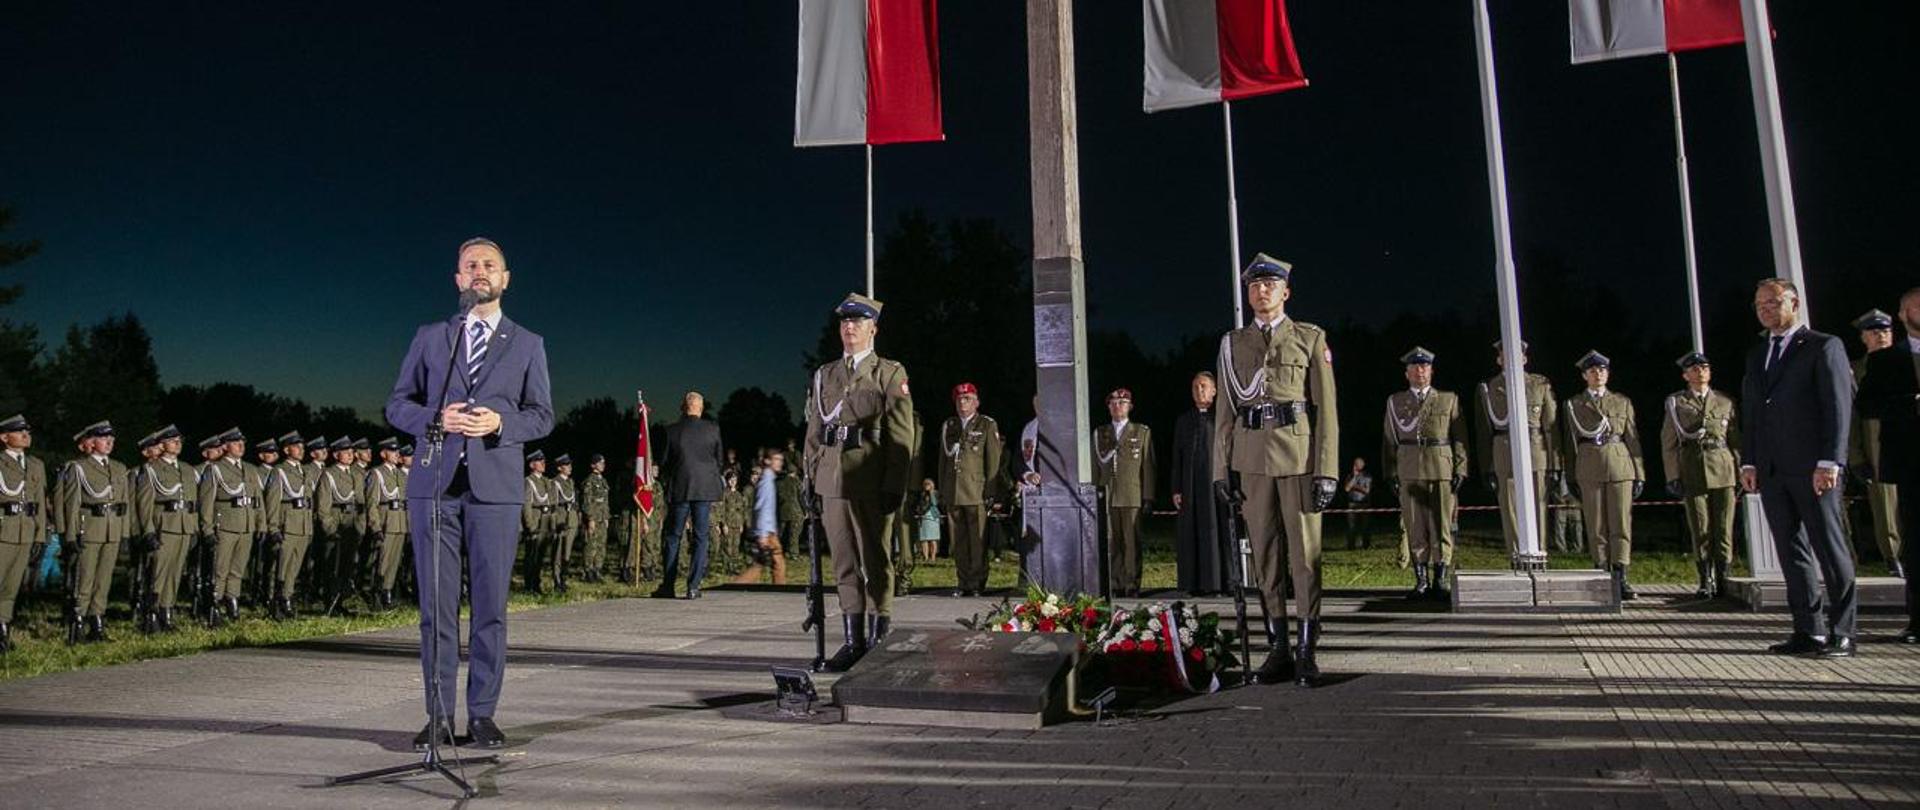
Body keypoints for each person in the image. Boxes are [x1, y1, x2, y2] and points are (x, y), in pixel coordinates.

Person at [385, 235, 554, 750]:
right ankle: (438, 717)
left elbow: (543, 416)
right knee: (436, 610)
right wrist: (436, 418)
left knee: (489, 608)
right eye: (470, 265)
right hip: (435, 487)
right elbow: (397, 404)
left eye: (490, 265)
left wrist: (501, 422)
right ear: (458, 280)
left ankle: (482, 714)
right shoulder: (432, 336)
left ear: (505, 279)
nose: (480, 271)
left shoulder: (528, 344)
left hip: (494, 491)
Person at [1212, 254, 1339, 687]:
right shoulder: (1232, 345)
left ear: (1286, 291)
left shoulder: (1309, 337)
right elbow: (1226, 413)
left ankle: (1307, 650)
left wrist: (1327, 470)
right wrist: (1221, 470)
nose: (1261, 291)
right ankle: (1278, 649)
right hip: (1250, 462)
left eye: (1270, 284)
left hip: (1300, 458)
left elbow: (1327, 412)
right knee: (1264, 559)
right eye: (1254, 286)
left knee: (1304, 558)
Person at [1740, 278, 1857, 658]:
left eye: (1773, 302)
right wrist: (1751, 459)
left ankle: (1843, 631)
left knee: (1829, 547)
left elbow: (1838, 408)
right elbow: (1754, 414)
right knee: (1792, 553)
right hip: (1773, 470)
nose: (1765, 310)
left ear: (1794, 303)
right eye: (1759, 304)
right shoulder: (1758, 354)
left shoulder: (1824, 346)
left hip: (1814, 467)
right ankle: (1809, 630)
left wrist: (1830, 461)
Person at [802, 292, 914, 671]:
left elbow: (902, 437)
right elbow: (815, 431)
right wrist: (810, 478)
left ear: (873, 329)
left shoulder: (889, 373)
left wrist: (894, 485)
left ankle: (879, 638)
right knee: (845, 563)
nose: (849, 328)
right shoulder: (825, 375)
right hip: (832, 482)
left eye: (857, 322)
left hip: (870, 480)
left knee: (875, 560)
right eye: (844, 322)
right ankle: (853, 641)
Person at [1856, 288, 1920, 643]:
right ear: (1903, 313)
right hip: (1909, 460)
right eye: (1915, 306)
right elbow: (1865, 407)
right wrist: (1910, 403)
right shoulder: (1885, 362)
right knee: (1913, 538)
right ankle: (1917, 619)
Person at [1382, 347, 1468, 601]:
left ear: (1432, 370)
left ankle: (1440, 578)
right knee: (1415, 525)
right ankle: (1421, 580)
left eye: (1425, 367)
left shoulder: (1448, 399)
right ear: (1407, 373)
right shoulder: (1395, 401)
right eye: (1415, 367)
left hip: (1441, 466)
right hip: (1408, 467)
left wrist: (1461, 467)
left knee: (1441, 525)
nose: (1420, 371)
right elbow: (1389, 440)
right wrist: (1390, 472)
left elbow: (1460, 437)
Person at [1562, 351, 1645, 601]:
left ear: (1607, 374)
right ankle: (1602, 571)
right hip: (1589, 466)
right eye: (1592, 371)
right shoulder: (1574, 404)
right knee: (1596, 523)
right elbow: (1569, 443)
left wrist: (1639, 473)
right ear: (1584, 375)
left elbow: (1633, 438)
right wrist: (1570, 475)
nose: (1598, 374)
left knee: (1621, 523)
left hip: (1620, 465)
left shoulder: (1622, 402)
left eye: (1602, 370)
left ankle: (1621, 574)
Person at [1660, 352, 1741, 598]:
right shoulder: (1677, 403)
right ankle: (1705, 578)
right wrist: (1673, 475)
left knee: (1724, 527)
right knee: (1700, 526)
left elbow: (1735, 440)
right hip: (1693, 468)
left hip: (1724, 469)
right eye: (1694, 369)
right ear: (1685, 375)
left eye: (1704, 368)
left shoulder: (1725, 402)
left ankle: (1723, 577)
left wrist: (1741, 470)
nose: (1700, 372)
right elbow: (1669, 442)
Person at [1476, 341, 1561, 557]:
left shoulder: (1540, 384)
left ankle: (1539, 555)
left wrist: (1555, 464)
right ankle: (1516, 556)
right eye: (1506, 355)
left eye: (1517, 354)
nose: (1512, 359)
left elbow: (1551, 427)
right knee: (1510, 508)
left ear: (1525, 359)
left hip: (1535, 450)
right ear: (1499, 360)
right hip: (1504, 451)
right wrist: (1488, 467)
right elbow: (1485, 432)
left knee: (1538, 507)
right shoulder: (1488, 387)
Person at [55, 421, 130, 643]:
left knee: (103, 580)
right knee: (84, 580)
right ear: (91, 441)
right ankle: (77, 624)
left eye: (112, 439)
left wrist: (124, 534)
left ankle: (97, 623)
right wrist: (69, 535)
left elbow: (123, 504)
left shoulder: (119, 467)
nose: (109, 442)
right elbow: (71, 504)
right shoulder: (79, 467)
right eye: (103, 438)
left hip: (112, 530)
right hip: (88, 528)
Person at [1849, 309, 1903, 577]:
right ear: (1863, 338)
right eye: (1873, 332)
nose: (1880, 336)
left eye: (1885, 331)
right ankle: (1893, 557)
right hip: (1878, 445)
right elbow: (1852, 417)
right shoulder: (1857, 371)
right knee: (1886, 505)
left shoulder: (1909, 361)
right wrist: (1856, 457)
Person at [656, 391, 725, 599]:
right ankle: (693, 586)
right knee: (701, 537)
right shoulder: (713, 429)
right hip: (704, 488)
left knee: (673, 536)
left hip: (681, 487)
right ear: (701, 408)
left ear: (682, 408)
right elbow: (719, 460)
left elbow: (664, 461)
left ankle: (668, 585)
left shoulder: (671, 430)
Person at [939, 382, 1004, 597]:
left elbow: (993, 461)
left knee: (977, 540)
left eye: (967, 399)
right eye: (959, 399)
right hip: (954, 490)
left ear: (976, 402)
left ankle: (977, 582)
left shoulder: (986, 424)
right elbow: (943, 461)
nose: (962, 403)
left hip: (976, 490)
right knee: (958, 540)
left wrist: (991, 492)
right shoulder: (949, 425)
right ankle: (963, 581)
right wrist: (943, 489)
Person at [133, 425, 195, 632]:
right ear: (161, 444)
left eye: (179, 440)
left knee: (175, 573)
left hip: (183, 526)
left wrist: (193, 527)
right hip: (164, 527)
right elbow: (144, 504)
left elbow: (192, 502)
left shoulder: (187, 469)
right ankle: (151, 615)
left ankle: (166, 613)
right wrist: (148, 530)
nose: (177, 443)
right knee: (157, 574)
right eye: (172, 440)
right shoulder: (151, 469)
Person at [1094, 388, 1155, 598]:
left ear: (1130, 406)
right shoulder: (1101, 433)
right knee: (1112, 542)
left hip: (1132, 495)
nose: (1117, 406)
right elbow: (1095, 466)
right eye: (1113, 403)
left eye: (1122, 403)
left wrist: (1148, 496)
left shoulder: (1141, 432)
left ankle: (1132, 583)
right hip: (1109, 494)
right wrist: (1095, 492)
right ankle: (1115, 582)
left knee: (1132, 543)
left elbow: (1147, 466)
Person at [198, 427, 260, 622]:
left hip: (246, 525)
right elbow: (206, 502)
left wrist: (262, 525)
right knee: (220, 569)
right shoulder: (215, 469)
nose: (241, 446)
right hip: (225, 526)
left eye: (242, 442)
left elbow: (258, 502)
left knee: (238, 569)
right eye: (236, 443)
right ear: (225, 446)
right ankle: (214, 604)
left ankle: (232, 600)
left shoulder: (250, 469)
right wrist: (207, 529)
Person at [1171, 372, 1225, 594]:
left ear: (1214, 390)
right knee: (1190, 533)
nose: (1199, 391)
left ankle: (1219, 583)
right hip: (1190, 487)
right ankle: (1192, 583)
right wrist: (1176, 488)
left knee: (1215, 531)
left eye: (1203, 386)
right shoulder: (1184, 420)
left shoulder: (1222, 418)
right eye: (1195, 387)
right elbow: (1177, 456)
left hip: (1215, 487)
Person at [0, 414, 48, 653]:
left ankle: (3, 628)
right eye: (20, 432)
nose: (26, 435)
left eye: (27, 431)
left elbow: (38, 503)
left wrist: (39, 536)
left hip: (25, 531)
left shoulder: (36, 465)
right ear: (4, 437)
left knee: (12, 585)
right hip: (3, 529)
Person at [264, 431, 316, 619]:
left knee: (294, 567)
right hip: (287, 525)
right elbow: (272, 501)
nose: (301, 450)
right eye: (297, 447)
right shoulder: (279, 471)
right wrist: (273, 527)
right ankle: (276, 602)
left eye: (302, 447)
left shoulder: (305, 471)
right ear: (287, 450)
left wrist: (309, 527)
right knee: (281, 567)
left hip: (302, 526)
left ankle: (287, 598)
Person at [313, 436, 364, 610]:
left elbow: (361, 502)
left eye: (352, 452)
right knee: (331, 565)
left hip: (351, 523)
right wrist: (329, 529)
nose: (351, 455)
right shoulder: (329, 474)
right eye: (346, 452)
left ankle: (341, 600)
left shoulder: (356, 474)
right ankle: (330, 600)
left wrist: (360, 525)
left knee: (347, 565)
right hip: (336, 520)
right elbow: (323, 506)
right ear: (336, 455)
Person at [364, 437, 410, 609]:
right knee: (382, 562)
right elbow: (372, 503)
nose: (397, 454)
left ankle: (387, 592)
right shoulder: (377, 473)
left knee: (394, 561)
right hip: (386, 521)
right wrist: (375, 526)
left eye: (397, 451)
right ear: (383, 454)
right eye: (393, 451)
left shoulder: (399, 474)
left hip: (399, 521)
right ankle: (375, 593)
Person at [732, 448, 789, 585]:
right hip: (767, 533)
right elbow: (762, 508)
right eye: (776, 459)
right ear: (767, 461)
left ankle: (737, 586)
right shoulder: (766, 482)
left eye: (781, 460)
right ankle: (780, 592)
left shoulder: (768, 480)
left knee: (761, 565)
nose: (780, 463)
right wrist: (763, 534)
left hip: (768, 531)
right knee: (776, 565)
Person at [520, 450, 558, 594]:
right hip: (536, 522)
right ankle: (529, 585)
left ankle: (537, 583)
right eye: (539, 461)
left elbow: (551, 503)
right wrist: (529, 525)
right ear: (531, 464)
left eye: (543, 461)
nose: (543, 463)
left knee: (540, 555)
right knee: (532, 555)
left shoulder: (546, 481)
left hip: (546, 522)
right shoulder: (529, 481)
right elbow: (527, 505)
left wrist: (552, 525)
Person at [579, 454, 611, 583]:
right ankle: (588, 570)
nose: (602, 465)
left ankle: (597, 569)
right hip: (594, 517)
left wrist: (607, 517)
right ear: (593, 465)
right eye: (599, 463)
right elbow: (587, 501)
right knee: (591, 544)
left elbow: (605, 501)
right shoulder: (589, 481)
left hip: (602, 517)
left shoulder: (603, 481)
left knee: (601, 545)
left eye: (603, 463)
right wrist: (590, 518)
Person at [551, 454, 578, 593]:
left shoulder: (570, 482)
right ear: (559, 467)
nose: (569, 468)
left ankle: (564, 578)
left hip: (571, 519)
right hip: (561, 519)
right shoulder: (555, 482)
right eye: (566, 465)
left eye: (570, 465)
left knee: (567, 552)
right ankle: (556, 580)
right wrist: (556, 522)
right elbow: (554, 504)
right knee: (558, 552)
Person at [1341, 458, 1372, 550]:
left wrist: (1354, 486)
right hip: (1352, 504)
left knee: (1365, 525)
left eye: (1357, 464)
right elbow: (1346, 488)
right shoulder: (1350, 476)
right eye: (1354, 464)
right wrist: (1354, 477)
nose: (1355, 466)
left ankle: (1366, 546)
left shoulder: (1367, 476)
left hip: (1364, 504)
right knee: (1351, 526)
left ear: (1362, 465)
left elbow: (1367, 490)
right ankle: (1351, 546)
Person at [912, 478, 941, 564]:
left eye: (928, 484)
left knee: (933, 539)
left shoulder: (935, 493)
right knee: (924, 538)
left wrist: (931, 493)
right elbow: (919, 504)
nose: (926, 486)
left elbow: (935, 503)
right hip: (923, 517)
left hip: (933, 517)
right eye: (925, 484)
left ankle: (933, 557)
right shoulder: (922, 494)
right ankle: (925, 557)